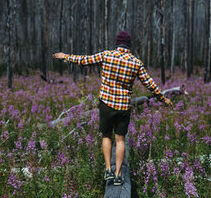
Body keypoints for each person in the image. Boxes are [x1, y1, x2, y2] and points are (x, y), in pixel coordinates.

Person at [53, 31, 173, 186]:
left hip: (106, 104)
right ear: (129, 45)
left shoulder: (107, 55)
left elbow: (84, 60)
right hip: (123, 106)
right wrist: (163, 98)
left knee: (106, 136)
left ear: (117, 43)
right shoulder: (136, 63)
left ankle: (108, 170)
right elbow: (150, 84)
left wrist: (66, 56)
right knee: (121, 139)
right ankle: (118, 175)